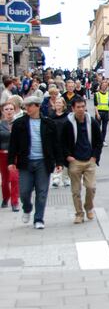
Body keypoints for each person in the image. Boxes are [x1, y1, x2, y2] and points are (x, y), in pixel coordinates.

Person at [7, 97, 60, 229]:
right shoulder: (19, 123)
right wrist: (11, 161)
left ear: (37, 106)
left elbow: (56, 144)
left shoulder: (48, 123)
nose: (28, 108)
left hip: (43, 162)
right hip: (26, 162)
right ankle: (27, 207)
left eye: (30, 105)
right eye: (26, 106)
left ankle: (39, 218)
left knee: (42, 192)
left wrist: (59, 162)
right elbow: (13, 144)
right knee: (24, 191)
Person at [61, 97, 103, 224]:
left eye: (82, 106)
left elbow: (99, 141)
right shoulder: (67, 123)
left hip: (89, 159)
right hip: (75, 160)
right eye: (77, 107)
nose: (80, 109)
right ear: (73, 108)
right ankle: (79, 213)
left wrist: (94, 156)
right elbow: (62, 142)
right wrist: (68, 157)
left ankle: (89, 207)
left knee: (91, 187)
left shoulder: (91, 122)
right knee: (76, 190)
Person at [0, 102, 20, 211]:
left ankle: (14, 202)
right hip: (3, 154)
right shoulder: (0, 124)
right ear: (3, 111)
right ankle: (5, 198)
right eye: (6, 109)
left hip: (16, 155)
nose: (9, 111)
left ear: (15, 110)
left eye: (11, 109)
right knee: (5, 179)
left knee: (14, 178)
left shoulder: (19, 123)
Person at [49, 97, 70, 188]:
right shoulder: (51, 116)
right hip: (54, 141)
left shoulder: (67, 116)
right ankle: (56, 178)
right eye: (56, 102)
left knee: (66, 160)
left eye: (59, 103)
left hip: (65, 141)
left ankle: (66, 178)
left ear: (63, 104)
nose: (57, 104)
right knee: (55, 160)